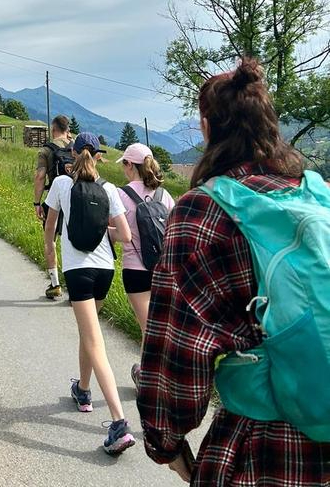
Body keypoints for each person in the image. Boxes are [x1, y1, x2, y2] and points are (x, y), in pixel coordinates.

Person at [137, 59, 329, 485]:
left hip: (261, 450)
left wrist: (166, 443)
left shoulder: (203, 211)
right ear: (270, 125)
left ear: (207, 128)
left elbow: (178, 352)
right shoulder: (319, 195)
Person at [43, 135, 136, 455]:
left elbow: (51, 226)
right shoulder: (109, 189)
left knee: (94, 341)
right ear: (97, 156)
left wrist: (51, 253)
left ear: (72, 153)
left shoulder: (61, 184)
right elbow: (125, 235)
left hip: (78, 271)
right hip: (105, 270)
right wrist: (102, 230)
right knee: (89, 331)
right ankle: (83, 390)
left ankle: (119, 423)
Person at [115, 142, 175, 380]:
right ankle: (149, 373)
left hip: (135, 269)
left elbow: (116, 230)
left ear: (130, 165)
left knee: (148, 328)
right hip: (162, 268)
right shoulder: (164, 195)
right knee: (154, 326)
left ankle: (149, 378)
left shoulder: (120, 195)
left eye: (124, 165)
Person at [33, 114, 73, 299]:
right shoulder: (77, 148)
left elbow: (40, 176)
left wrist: (37, 202)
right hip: (75, 199)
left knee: (51, 240)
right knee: (72, 241)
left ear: (54, 129)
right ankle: (74, 286)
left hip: (54, 200)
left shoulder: (46, 150)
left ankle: (55, 284)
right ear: (68, 129)